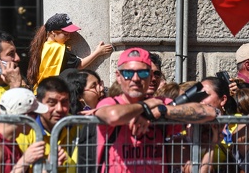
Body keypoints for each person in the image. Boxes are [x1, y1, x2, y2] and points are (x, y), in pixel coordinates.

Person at [90, 47, 218, 172]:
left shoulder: (161, 104)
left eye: (143, 73)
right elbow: (113, 116)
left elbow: (208, 112)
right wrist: (145, 107)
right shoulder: (110, 102)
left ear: (151, 76)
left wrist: (162, 111)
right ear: (118, 76)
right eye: (128, 73)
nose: (135, 79)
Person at [0, 87, 59, 173]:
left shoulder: (11, 142)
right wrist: (24, 162)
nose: (37, 120)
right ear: (25, 117)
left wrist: (48, 167)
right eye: (36, 115)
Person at [27, 13, 113, 92]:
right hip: (53, 91)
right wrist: (98, 52)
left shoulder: (43, 46)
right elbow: (79, 65)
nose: (69, 37)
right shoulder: (59, 49)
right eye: (66, 34)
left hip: (39, 91)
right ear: (53, 32)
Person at [16, 76, 78, 173]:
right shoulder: (24, 132)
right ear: (38, 104)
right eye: (52, 103)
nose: (59, 109)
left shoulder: (78, 126)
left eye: (64, 102)